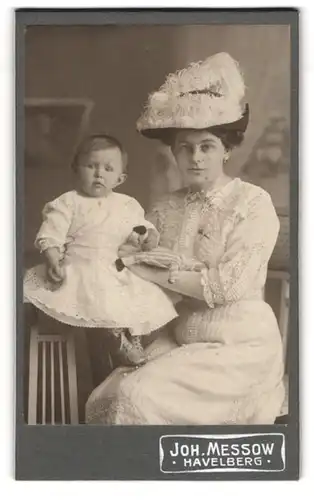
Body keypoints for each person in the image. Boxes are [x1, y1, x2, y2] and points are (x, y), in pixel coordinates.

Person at [85, 52, 285, 425]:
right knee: (106, 397)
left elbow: (226, 288)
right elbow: (130, 261)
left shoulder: (252, 203)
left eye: (207, 146)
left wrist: (149, 271)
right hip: (181, 340)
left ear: (226, 148)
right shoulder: (163, 209)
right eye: (185, 147)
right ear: (174, 152)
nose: (195, 157)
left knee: (136, 399)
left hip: (240, 347)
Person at [23, 134, 179, 366]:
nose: (99, 173)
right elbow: (51, 234)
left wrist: (148, 237)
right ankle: (116, 338)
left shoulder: (126, 204)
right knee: (101, 292)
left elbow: (141, 227)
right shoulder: (69, 202)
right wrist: (53, 258)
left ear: (120, 178)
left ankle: (133, 338)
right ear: (77, 169)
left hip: (116, 264)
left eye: (108, 168)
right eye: (91, 166)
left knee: (137, 295)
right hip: (83, 264)